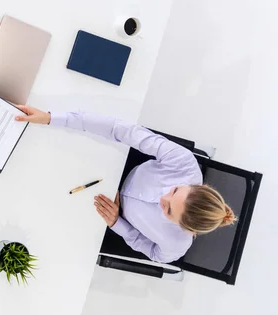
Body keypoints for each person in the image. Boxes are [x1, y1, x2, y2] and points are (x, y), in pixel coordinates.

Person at [15, 105, 237, 263]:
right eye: (174, 190)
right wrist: (52, 118)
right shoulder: (184, 164)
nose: (163, 199)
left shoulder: (177, 244)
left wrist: (118, 224)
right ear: (196, 186)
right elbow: (121, 130)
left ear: (185, 228)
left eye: (168, 211)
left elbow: (155, 254)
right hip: (115, 165)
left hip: (101, 209)